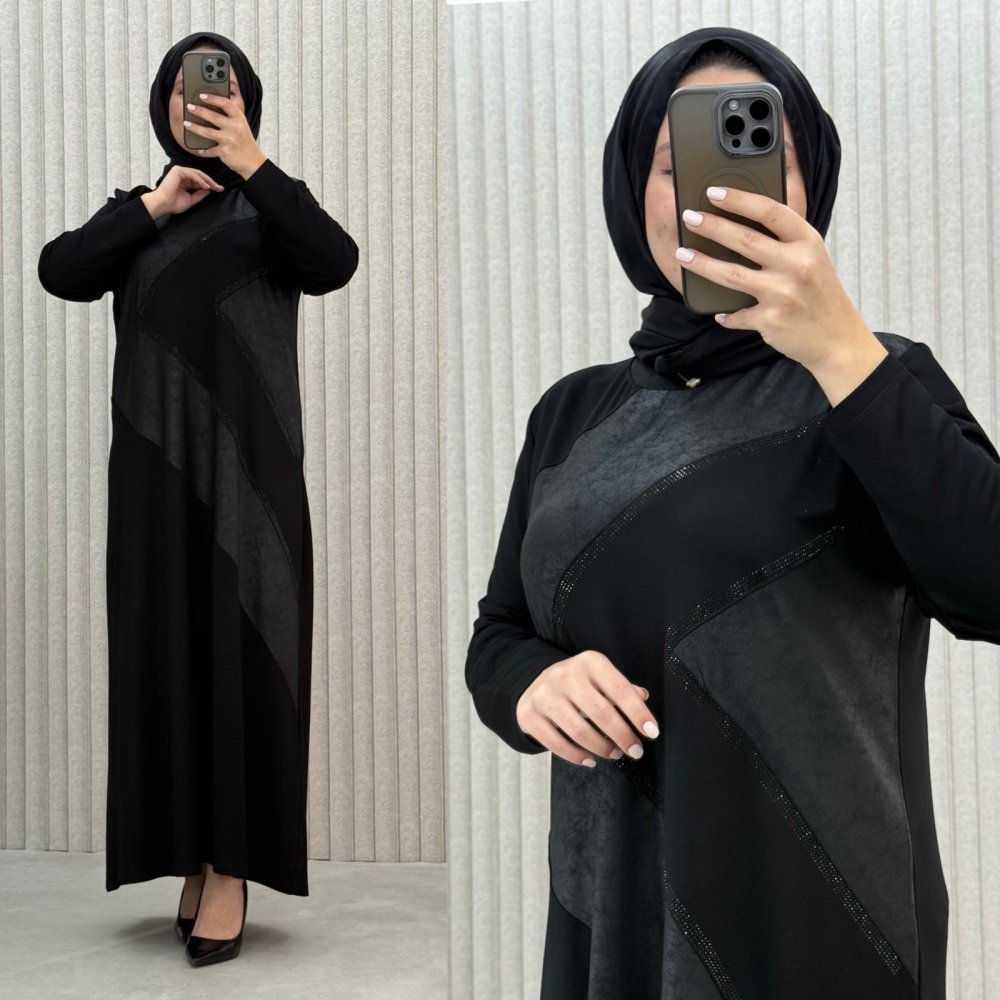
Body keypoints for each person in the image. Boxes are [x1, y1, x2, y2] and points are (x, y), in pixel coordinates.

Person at [465, 26, 999, 1000]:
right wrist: (533, 684)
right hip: (612, 906)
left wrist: (839, 349)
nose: (715, 195)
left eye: (758, 156)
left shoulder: (876, 377)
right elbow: (498, 633)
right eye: (677, 165)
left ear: (809, 188)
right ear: (630, 193)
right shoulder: (571, 414)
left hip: (821, 921)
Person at [37, 31, 358, 967]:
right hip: (154, 490)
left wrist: (251, 164)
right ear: (163, 105)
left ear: (244, 102)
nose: (200, 103)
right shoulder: (136, 218)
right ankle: (190, 852)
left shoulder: (274, 215)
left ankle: (232, 869)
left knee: (244, 662)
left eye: (218, 89)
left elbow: (335, 259)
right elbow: (61, 271)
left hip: (251, 489)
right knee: (166, 658)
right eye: (185, 90)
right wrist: (152, 204)